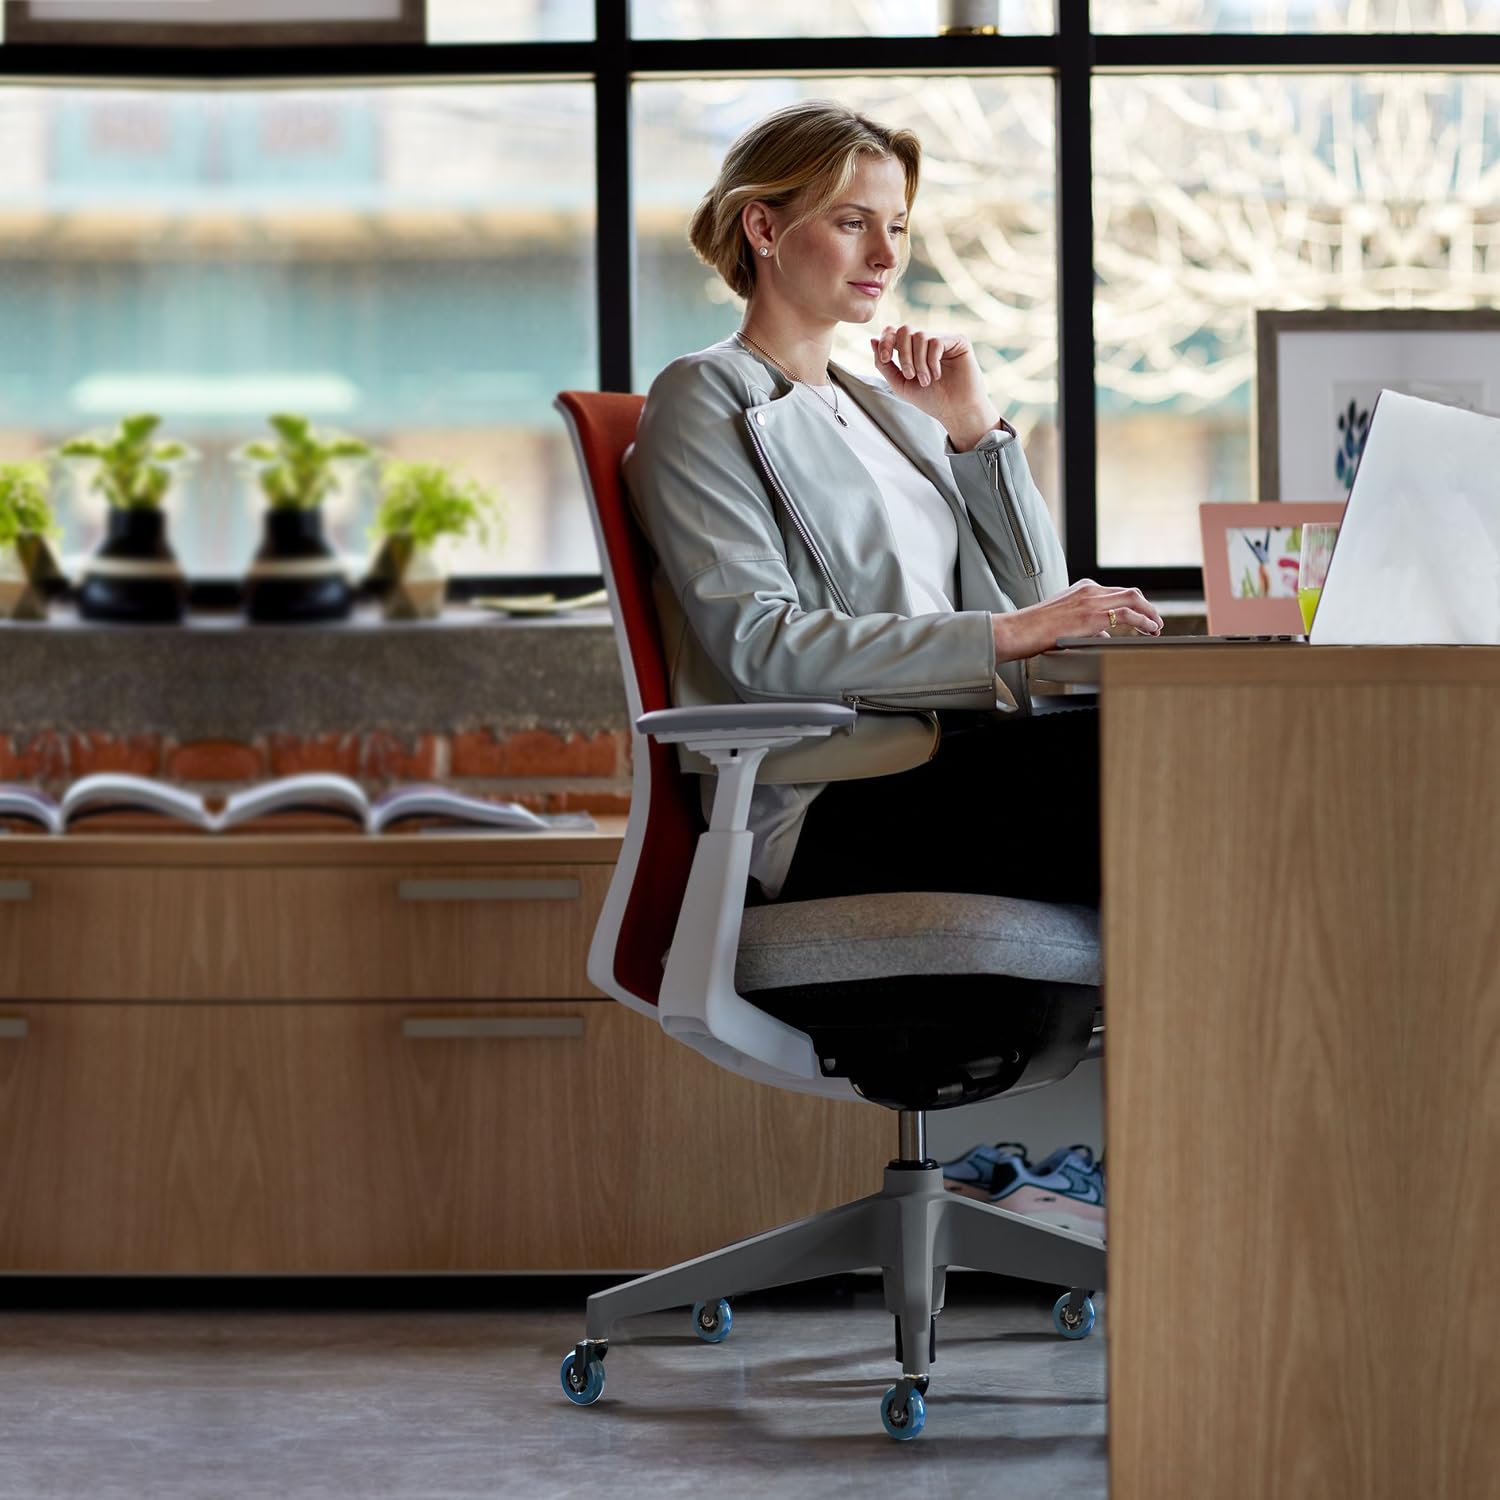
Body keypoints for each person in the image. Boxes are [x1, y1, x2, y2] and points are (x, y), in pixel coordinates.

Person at [623, 99, 1163, 908]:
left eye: (898, 228)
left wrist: (974, 430)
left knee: (1177, 750)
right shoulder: (706, 396)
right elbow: (762, 647)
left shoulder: (883, 409)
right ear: (762, 227)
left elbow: (1041, 599)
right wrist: (1006, 634)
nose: (885, 254)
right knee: (1158, 770)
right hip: (845, 792)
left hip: (960, 753)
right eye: (853, 223)